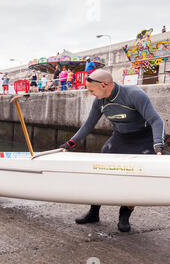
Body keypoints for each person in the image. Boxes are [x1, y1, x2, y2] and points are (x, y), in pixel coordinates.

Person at [60, 70, 167, 232]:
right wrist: (69, 144)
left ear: (105, 85)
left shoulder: (134, 94)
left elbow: (156, 120)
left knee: (133, 179)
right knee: (100, 172)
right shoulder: (100, 101)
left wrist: (158, 145)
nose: (91, 94)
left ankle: (124, 216)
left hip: (142, 140)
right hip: (120, 138)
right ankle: (94, 212)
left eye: (92, 90)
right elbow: (88, 125)